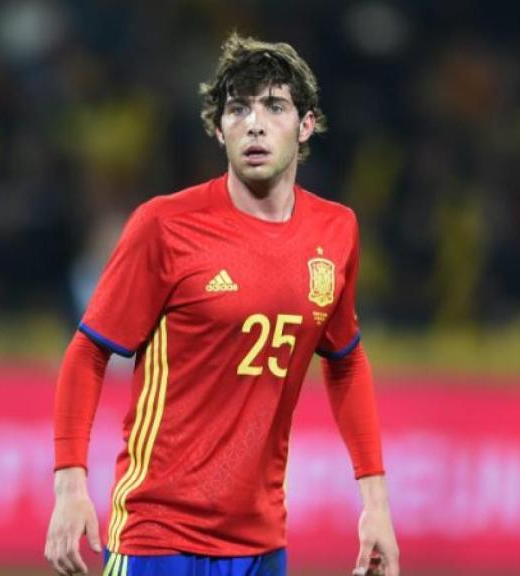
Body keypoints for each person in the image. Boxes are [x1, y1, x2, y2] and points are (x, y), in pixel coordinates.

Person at [44, 33, 399, 576]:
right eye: (238, 109)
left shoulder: (336, 231)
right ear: (218, 129)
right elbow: (87, 353)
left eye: (274, 106)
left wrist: (375, 507)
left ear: (306, 126)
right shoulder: (165, 226)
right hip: (156, 535)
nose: (254, 124)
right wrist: (70, 488)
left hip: (261, 542)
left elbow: (346, 361)